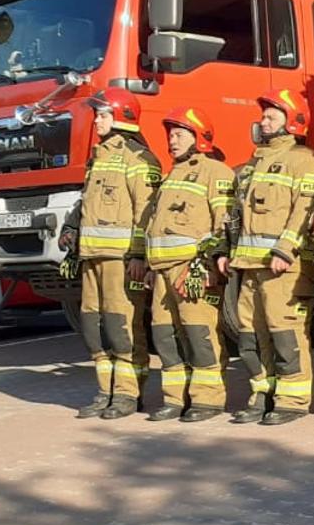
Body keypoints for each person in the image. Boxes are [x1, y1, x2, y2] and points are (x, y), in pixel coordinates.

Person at [225, 90, 314, 426]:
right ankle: (261, 394)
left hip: (284, 265)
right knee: (250, 334)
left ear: (293, 121)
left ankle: (292, 399)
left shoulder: (306, 161)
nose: (263, 122)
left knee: (285, 332)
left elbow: (307, 210)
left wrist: (286, 249)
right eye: (264, 116)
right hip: (250, 265)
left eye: (272, 116)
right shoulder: (254, 164)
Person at [61, 89, 161, 420]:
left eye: (103, 114)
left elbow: (146, 213)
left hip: (121, 262)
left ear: (121, 117)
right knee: (94, 327)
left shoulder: (139, 159)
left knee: (123, 328)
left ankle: (128, 395)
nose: (97, 120)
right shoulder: (98, 157)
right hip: (92, 258)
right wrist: (72, 229)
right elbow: (86, 203)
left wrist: (138, 256)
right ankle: (105, 392)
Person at [142, 108, 236, 423]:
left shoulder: (216, 172)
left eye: (180, 133)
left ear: (200, 138)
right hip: (161, 271)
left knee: (200, 334)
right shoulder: (171, 176)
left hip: (192, 269)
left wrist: (207, 262)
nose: (172, 139)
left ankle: (207, 400)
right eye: (171, 134)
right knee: (165, 336)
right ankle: (174, 399)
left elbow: (224, 222)